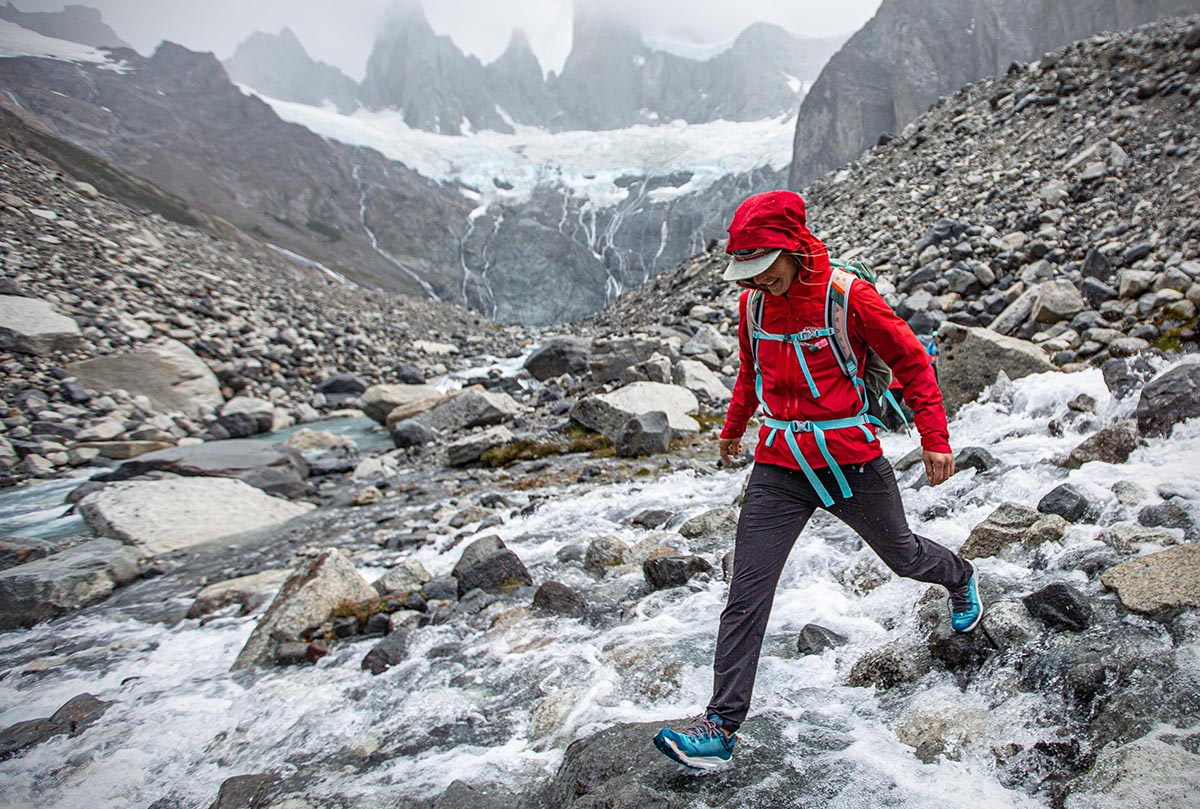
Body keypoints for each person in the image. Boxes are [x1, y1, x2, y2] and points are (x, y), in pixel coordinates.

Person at [653, 190, 982, 771]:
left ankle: (960, 577)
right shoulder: (753, 306)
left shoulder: (848, 296)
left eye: (764, 267)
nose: (755, 281)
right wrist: (733, 431)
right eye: (746, 271)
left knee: (903, 557)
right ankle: (721, 727)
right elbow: (750, 371)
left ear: (795, 249)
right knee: (746, 594)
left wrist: (935, 438)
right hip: (780, 466)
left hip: (851, 461)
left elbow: (911, 362)